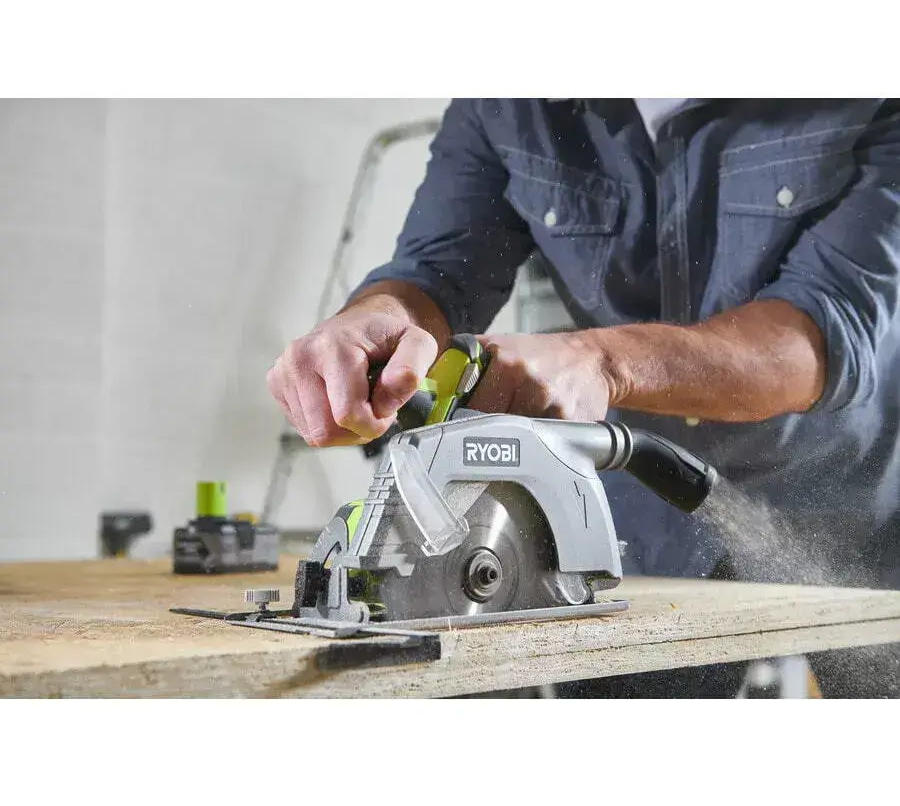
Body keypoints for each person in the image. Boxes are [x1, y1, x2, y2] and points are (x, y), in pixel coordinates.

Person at [268, 99, 900, 698]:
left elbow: (818, 336)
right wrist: (379, 319)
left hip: (856, 501)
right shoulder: (513, 103)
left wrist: (602, 361)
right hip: (644, 523)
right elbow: (435, 273)